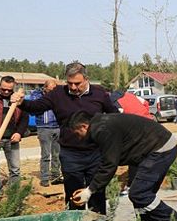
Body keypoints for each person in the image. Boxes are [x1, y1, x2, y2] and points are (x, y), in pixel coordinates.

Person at [14, 63, 118, 213]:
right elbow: (36, 106)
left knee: (97, 193)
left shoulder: (99, 94)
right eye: (70, 83)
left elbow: (113, 115)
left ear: (86, 79)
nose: (74, 87)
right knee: (73, 194)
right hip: (70, 154)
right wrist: (22, 102)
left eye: (78, 83)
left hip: (96, 152)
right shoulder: (58, 94)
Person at [68, 111, 177, 221]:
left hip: (159, 149)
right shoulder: (102, 125)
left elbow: (109, 164)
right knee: (141, 199)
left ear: (84, 126)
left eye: (78, 134)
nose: (79, 138)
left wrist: (89, 190)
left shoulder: (102, 130)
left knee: (139, 194)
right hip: (154, 149)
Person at [0, 76, 28, 189]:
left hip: (12, 139)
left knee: (15, 168)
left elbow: (25, 118)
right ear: (0, 86)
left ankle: (14, 193)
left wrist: (19, 133)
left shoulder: (18, 99)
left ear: (13, 88)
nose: (6, 92)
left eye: (9, 90)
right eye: (3, 89)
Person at [32, 80, 62, 187]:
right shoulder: (37, 96)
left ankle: (56, 176)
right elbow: (34, 108)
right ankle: (44, 177)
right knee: (45, 155)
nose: (52, 92)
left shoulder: (58, 96)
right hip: (44, 127)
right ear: (45, 88)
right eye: (50, 90)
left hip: (57, 127)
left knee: (57, 154)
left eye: (54, 89)